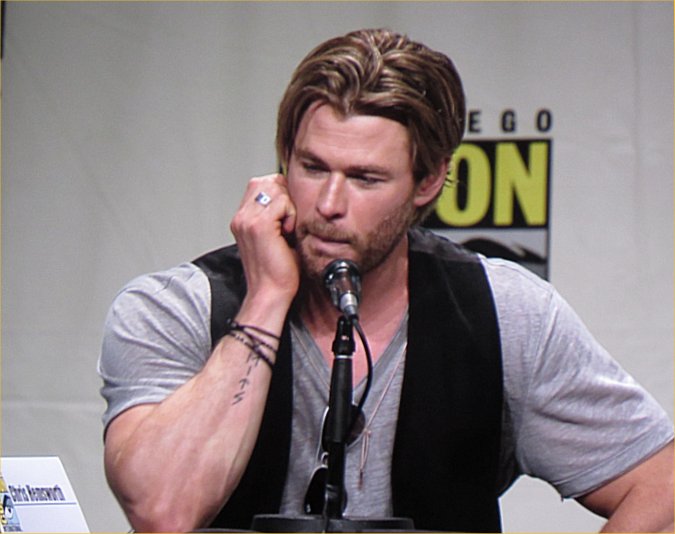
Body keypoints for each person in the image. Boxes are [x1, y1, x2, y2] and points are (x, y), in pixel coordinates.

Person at [98, 28, 674, 533]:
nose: (329, 203)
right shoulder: (176, 308)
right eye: (312, 167)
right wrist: (267, 298)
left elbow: (664, 489)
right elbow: (164, 512)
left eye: (365, 178)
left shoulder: (505, 314)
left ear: (428, 182)